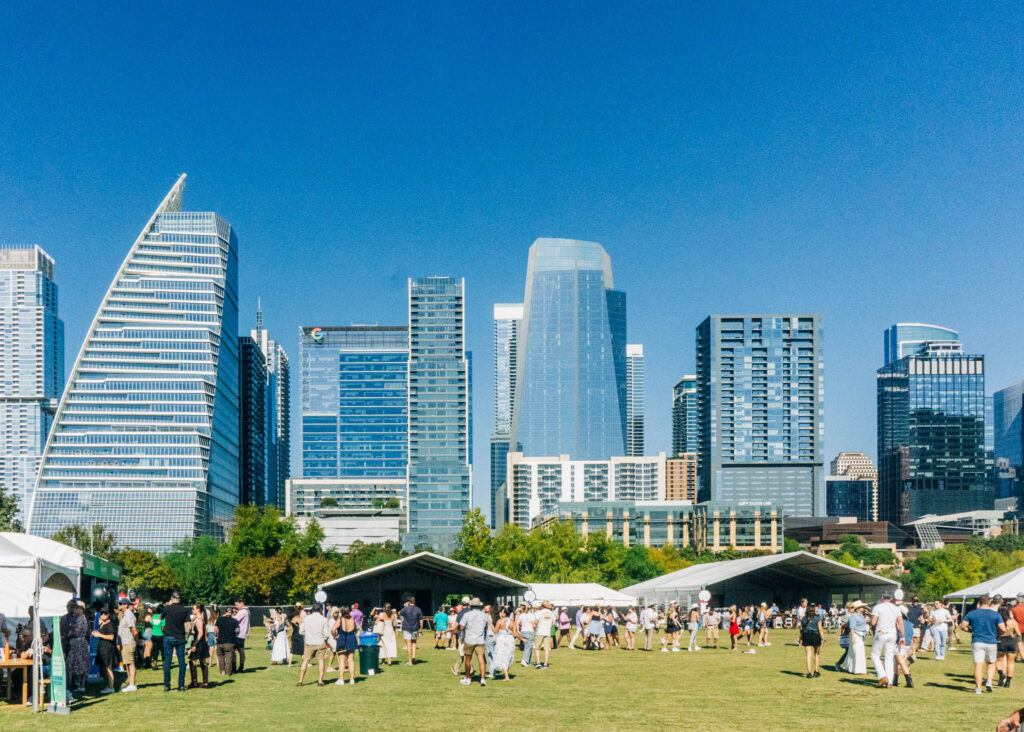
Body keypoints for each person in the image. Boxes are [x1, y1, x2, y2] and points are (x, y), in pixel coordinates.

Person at [961, 594, 1005, 694]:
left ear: (979, 603)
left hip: (977, 641)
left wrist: (970, 631)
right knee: (991, 663)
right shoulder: (995, 614)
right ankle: (989, 681)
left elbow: (962, 626)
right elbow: (1003, 628)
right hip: (991, 641)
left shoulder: (972, 613)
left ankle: (978, 688)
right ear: (989, 603)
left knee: (978, 665)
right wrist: (997, 634)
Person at [871, 592, 902, 688]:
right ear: (891, 598)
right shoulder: (896, 608)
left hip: (881, 632)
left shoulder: (877, 607)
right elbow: (900, 623)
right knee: (889, 657)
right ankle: (890, 682)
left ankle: (882, 676)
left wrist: (869, 619)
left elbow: (873, 622)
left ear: (882, 597)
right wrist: (903, 637)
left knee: (875, 655)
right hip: (892, 634)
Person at [162, 590, 190, 692]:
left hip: (169, 636)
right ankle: (181, 685)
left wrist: (168, 604)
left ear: (172, 598)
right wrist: (187, 635)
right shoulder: (185, 610)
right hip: (180, 637)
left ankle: (167, 685)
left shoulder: (167, 608)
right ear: (179, 599)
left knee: (167, 662)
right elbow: (188, 625)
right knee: (181, 662)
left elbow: (162, 617)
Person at [60, 600, 90, 694]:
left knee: (80, 664)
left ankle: (80, 685)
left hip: (78, 642)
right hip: (67, 643)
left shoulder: (81, 618)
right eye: (70, 606)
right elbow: (61, 630)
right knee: (70, 665)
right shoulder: (63, 618)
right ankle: (70, 685)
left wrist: (70, 634)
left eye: (74, 607)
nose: (72, 609)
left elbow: (82, 631)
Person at [297, 606, 331, 687]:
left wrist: (308, 635)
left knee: (305, 661)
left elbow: (301, 631)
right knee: (321, 661)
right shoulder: (324, 619)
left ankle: (300, 680)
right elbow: (326, 634)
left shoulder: (306, 619)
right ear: (320, 610)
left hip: (309, 643)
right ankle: (320, 681)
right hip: (320, 643)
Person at [459, 598, 489, 686]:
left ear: (471, 605)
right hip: (480, 640)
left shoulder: (467, 614)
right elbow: (486, 627)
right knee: (481, 658)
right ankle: (483, 678)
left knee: (468, 659)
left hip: (469, 639)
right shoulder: (484, 615)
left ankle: (467, 678)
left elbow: (461, 627)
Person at [113, 598, 138, 693]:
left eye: (120, 604)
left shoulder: (128, 615)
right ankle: (130, 683)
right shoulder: (124, 615)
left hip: (128, 642)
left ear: (125, 605)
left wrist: (134, 642)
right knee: (127, 664)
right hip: (124, 642)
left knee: (130, 664)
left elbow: (134, 630)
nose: (118, 605)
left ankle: (132, 684)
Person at [92, 607, 118, 695]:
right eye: (102, 613)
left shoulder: (109, 624)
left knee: (108, 668)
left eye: (105, 613)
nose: (103, 615)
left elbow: (111, 637)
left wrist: (99, 634)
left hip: (107, 647)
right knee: (104, 668)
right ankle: (108, 686)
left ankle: (111, 687)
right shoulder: (103, 623)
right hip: (102, 647)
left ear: (109, 615)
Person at [333, 606, 359, 686]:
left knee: (342, 660)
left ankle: (341, 679)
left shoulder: (340, 620)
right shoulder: (352, 619)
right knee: (351, 660)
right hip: (351, 638)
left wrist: (335, 636)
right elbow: (355, 629)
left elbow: (332, 629)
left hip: (342, 638)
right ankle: (352, 679)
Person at [186, 603, 210, 689]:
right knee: (201, 661)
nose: (192, 610)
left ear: (198, 610)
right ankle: (204, 682)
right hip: (201, 642)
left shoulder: (199, 620)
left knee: (192, 660)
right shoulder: (199, 619)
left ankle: (195, 682)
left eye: (193, 609)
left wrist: (195, 644)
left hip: (199, 642)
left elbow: (200, 633)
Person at [841, 601, 868, 675]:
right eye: (862, 607)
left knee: (852, 652)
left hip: (861, 635)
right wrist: (853, 636)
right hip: (855, 635)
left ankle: (846, 667)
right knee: (858, 653)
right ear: (858, 608)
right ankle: (859, 670)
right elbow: (852, 627)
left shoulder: (861, 615)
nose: (863, 608)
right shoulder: (853, 616)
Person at [491, 606, 517, 681]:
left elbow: (495, 631)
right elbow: (515, 633)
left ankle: (506, 677)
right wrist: (522, 638)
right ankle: (506, 674)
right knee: (508, 656)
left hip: (502, 639)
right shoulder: (512, 622)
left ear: (504, 614)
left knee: (503, 656)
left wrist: (491, 625)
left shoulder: (500, 621)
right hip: (510, 639)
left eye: (501, 612)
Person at [891, 604, 914, 688]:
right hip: (906, 644)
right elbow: (911, 636)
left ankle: (909, 682)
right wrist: (911, 648)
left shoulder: (898, 623)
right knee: (896, 662)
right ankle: (895, 680)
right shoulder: (909, 623)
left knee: (900, 661)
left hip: (900, 643)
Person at [799, 602, 824, 678]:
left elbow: (801, 629)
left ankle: (809, 672)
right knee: (816, 654)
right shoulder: (818, 618)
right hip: (815, 635)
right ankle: (816, 671)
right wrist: (823, 638)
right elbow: (820, 629)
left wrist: (800, 638)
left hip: (806, 635)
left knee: (808, 655)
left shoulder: (803, 619)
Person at [214, 607, 240, 676]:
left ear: (225, 613)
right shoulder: (234, 621)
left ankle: (222, 671)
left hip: (220, 641)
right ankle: (228, 672)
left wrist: (215, 636)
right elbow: (237, 630)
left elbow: (216, 628)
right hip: (230, 642)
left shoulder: (219, 619)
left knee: (220, 657)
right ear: (232, 613)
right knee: (229, 657)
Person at [398, 597, 424, 665]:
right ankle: (413, 657)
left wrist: (404, 606)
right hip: (415, 628)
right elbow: (421, 620)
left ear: (408, 602)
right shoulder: (418, 609)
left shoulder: (405, 609)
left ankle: (409, 661)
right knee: (414, 643)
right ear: (414, 601)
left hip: (406, 628)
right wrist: (421, 629)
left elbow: (399, 613)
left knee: (408, 645)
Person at [997, 605, 1018, 688]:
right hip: (1012, 641)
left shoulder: (998, 621)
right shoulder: (1013, 621)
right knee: (1011, 662)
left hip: (1001, 640)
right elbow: (1018, 633)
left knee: (999, 661)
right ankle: (1008, 682)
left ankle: (1001, 674)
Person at [533, 600, 556, 669]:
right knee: (546, 648)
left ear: (542, 606)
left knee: (537, 647)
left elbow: (535, 622)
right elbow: (554, 623)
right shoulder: (551, 613)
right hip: (547, 632)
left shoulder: (538, 612)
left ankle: (538, 662)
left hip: (540, 631)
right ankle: (545, 664)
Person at [233, 599, 250, 672]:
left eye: (237, 605)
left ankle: (235, 667)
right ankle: (241, 666)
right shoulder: (247, 611)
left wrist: (233, 615)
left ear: (242, 603)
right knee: (241, 651)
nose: (236, 607)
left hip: (239, 634)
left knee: (235, 651)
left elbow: (234, 620)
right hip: (243, 634)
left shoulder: (242, 612)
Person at [150, 604, 165, 670]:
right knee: (163, 650)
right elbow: (163, 628)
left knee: (155, 650)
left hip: (154, 635)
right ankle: (164, 664)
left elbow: (152, 624)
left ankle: (155, 664)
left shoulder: (153, 617)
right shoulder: (163, 618)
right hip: (161, 635)